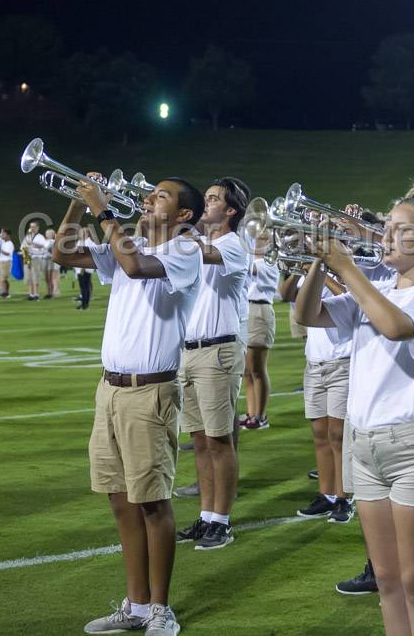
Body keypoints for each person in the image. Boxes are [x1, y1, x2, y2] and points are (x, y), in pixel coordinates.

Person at [295, 177, 414, 636]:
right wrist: (316, 262)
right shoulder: (379, 285)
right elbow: (307, 315)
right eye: (386, 227)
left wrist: (345, 267)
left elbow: (394, 327)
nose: (387, 236)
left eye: (400, 229)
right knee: (386, 581)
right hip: (363, 443)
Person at [52, 174, 204, 636]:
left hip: (150, 391)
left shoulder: (185, 251)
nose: (148, 199)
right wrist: (77, 205)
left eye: (161, 196)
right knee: (119, 500)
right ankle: (136, 605)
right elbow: (61, 254)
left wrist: (102, 210)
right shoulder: (129, 241)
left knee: (153, 502)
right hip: (109, 390)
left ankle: (161, 609)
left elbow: (136, 267)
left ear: (183, 216)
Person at [175, 177, 251, 550]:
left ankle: (222, 520)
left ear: (231, 210)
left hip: (218, 351)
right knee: (200, 441)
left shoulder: (234, 244)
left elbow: (205, 254)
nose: (205, 204)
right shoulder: (197, 243)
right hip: (188, 350)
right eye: (204, 198)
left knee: (220, 441)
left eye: (212, 199)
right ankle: (206, 516)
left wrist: (180, 224)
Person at [281, 269, 355, 524]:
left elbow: (347, 295)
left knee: (338, 434)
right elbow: (285, 294)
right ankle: (327, 495)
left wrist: (323, 271)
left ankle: (345, 497)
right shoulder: (310, 274)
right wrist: (297, 270)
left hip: (342, 362)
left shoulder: (348, 269)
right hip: (314, 363)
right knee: (320, 434)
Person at [243, 235, 280, 429]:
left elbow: (251, 269)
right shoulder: (251, 258)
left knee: (257, 368)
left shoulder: (270, 262)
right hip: (246, 311)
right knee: (246, 370)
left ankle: (261, 415)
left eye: (264, 238)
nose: (257, 240)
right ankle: (251, 413)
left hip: (259, 310)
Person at [22, 223, 48, 301]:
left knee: (35, 276)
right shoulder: (27, 237)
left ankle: (36, 294)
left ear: (38, 228)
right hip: (28, 257)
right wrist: (25, 257)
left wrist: (32, 243)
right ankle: (31, 294)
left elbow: (43, 246)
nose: (32, 228)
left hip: (36, 257)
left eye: (34, 227)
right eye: (31, 227)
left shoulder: (40, 237)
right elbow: (23, 247)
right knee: (28, 277)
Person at [0, 228, 15, 299]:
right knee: (1, 278)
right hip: (1, 261)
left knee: (4, 278)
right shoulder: (2, 242)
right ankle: (4, 292)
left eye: (3, 234)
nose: (2, 235)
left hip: (7, 262)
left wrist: (0, 250)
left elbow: (8, 253)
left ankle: (6, 292)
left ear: (8, 235)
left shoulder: (10, 243)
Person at [45, 228, 61, 298]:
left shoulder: (52, 241)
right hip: (50, 260)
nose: (47, 235)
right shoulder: (47, 241)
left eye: (48, 234)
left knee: (54, 277)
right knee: (51, 277)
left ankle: (55, 291)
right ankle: (53, 290)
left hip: (53, 260)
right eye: (46, 233)